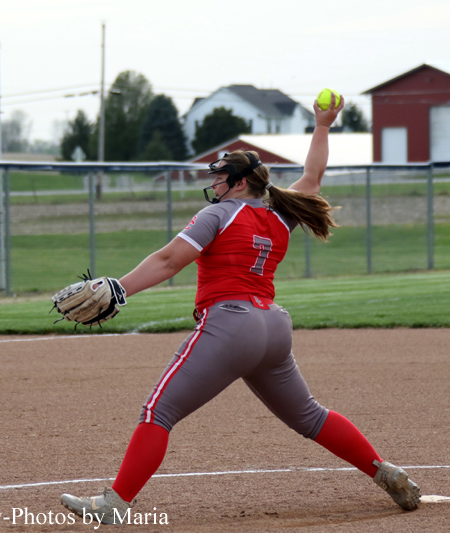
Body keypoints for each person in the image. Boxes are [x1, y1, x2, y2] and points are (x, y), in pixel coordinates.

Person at [60, 94, 420, 523]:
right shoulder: (280, 214)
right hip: (272, 326)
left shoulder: (219, 215)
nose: (213, 184)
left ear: (239, 182)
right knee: (310, 416)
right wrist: (323, 125)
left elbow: (169, 260)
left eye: (219, 177)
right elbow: (313, 176)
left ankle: (114, 504)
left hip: (231, 324)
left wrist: (120, 288)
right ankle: (385, 471)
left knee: (159, 412)